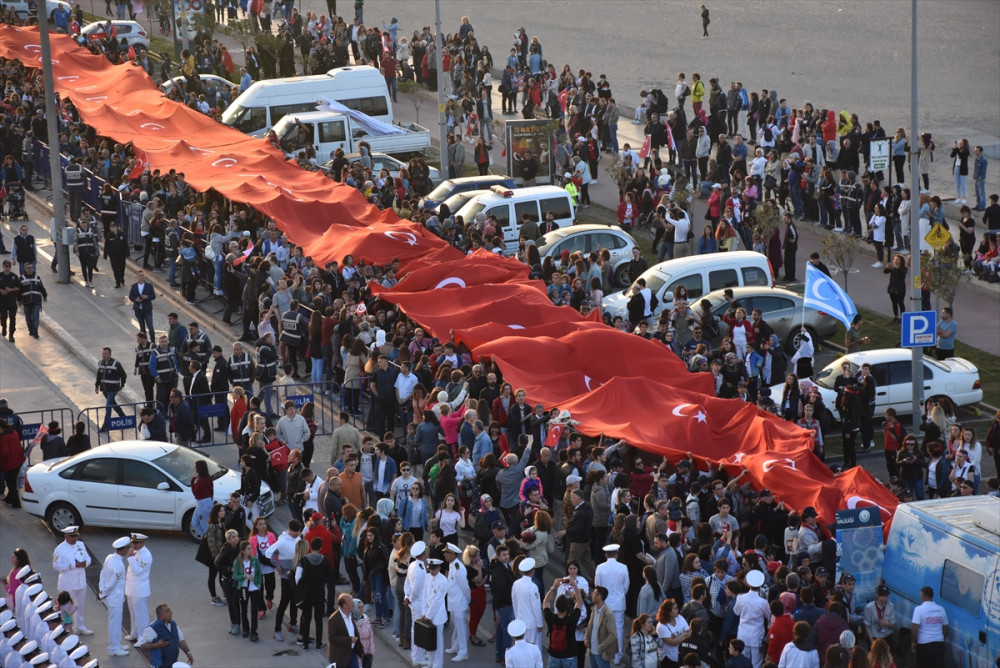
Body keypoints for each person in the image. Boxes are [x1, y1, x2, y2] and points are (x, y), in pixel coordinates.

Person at [52, 526, 93, 635]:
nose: (74, 539)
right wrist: (72, 565)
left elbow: (88, 558)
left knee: (80, 605)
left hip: (80, 580)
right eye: (72, 536)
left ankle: (80, 626)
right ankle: (67, 628)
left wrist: (86, 563)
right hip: (68, 582)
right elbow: (56, 565)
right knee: (66, 608)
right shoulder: (60, 549)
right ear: (66, 536)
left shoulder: (80, 545)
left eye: (75, 536)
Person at [295, 536, 334, 650]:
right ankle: (319, 643)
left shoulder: (304, 561)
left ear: (310, 547)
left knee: (306, 618)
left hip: (307, 594)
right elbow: (330, 580)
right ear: (321, 547)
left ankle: (305, 643)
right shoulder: (325, 561)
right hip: (319, 594)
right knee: (318, 619)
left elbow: (297, 578)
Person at [595, 543, 630, 664]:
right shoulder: (623, 567)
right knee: (619, 628)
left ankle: (605, 652)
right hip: (619, 602)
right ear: (617, 554)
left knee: (604, 628)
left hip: (605, 602)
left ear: (606, 554)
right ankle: (618, 655)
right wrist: (621, 595)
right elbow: (626, 586)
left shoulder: (600, 568)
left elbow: (597, 586)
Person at [98, 535, 132, 657]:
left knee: (116, 622)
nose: (128, 551)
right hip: (115, 598)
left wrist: (101, 589)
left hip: (111, 597)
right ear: (123, 549)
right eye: (127, 548)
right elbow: (112, 583)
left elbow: (102, 573)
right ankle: (113, 648)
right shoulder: (119, 564)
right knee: (115, 623)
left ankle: (116, 644)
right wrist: (102, 593)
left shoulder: (109, 558)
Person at [138, 603, 194, 668]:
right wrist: (156, 645)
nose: (171, 612)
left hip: (173, 663)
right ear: (160, 615)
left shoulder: (173, 624)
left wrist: (188, 653)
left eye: (170, 610)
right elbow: (143, 645)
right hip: (159, 665)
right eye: (167, 611)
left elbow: (180, 640)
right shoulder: (152, 628)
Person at [734, 569, 772, 668]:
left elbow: (736, 612)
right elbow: (768, 617)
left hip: (743, 635)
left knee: (743, 663)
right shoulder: (763, 602)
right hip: (757, 636)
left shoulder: (740, 598)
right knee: (757, 664)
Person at [443, 542, 470, 661]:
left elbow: (465, 586)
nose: (445, 554)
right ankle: (455, 646)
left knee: (461, 628)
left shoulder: (458, 567)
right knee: (456, 627)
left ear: (453, 554)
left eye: (447, 553)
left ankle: (463, 652)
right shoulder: (452, 565)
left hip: (459, 602)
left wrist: (468, 599)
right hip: (453, 601)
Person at [125, 533, 153, 645]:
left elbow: (138, 571)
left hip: (140, 590)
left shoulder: (146, 555)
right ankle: (134, 633)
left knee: (141, 615)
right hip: (132, 588)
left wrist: (131, 558)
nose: (134, 544)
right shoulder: (136, 552)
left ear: (143, 543)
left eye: (136, 543)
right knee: (133, 612)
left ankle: (143, 637)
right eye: (133, 542)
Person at [911, 586, 948, 668]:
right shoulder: (941, 609)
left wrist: (913, 642)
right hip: (939, 644)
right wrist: (941, 638)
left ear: (923, 596)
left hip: (924, 645)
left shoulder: (919, 609)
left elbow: (915, 629)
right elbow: (945, 627)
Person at [512, 557, 544, 645]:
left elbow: (514, 603)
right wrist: (539, 623)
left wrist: (516, 618)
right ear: (533, 571)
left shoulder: (516, 583)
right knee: (534, 647)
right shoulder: (533, 586)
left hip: (520, 621)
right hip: (531, 624)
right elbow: (536, 607)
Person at [95, 347, 128, 433]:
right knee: (112, 403)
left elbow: (123, 375)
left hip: (113, 389)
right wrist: (96, 386)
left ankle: (105, 425)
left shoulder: (116, 364)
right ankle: (122, 415)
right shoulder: (101, 363)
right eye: (103, 353)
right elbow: (99, 375)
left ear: (110, 354)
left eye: (105, 354)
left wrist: (122, 384)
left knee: (108, 406)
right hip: (104, 389)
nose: (103, 355)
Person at [586, 586, 618, 668]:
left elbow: (613, 634)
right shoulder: (594, 610)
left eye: (594, 593)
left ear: (599, 596)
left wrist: (601, 646)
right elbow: (590, 626)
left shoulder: (608, 614)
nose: (592, 595)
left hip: (601, 654)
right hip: (592, 652)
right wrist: (586, 638)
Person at [17, 262, 46, 340]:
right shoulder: (21, 278)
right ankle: (30, 329)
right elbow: (19, 291)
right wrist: (19, 300)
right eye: (29, 268)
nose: (30, 269)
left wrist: (45, 295)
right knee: (28, 317)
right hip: (26, 301)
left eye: (31, 267)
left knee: (36, 317)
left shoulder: (37, 277)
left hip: (36, 301)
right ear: (25, 269)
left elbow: (41, 287)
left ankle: (35, 332)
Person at [128, 270, 157, 339]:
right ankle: (144, 342)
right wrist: (135, 299)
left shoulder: (149, 286)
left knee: (150, 327)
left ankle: (153, 341)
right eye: (140, 275)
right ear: (137, 277)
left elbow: (153, 296)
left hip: (147, 309)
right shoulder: (134, 286)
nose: (142, 277)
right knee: (142, 328)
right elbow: (131, 296)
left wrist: (147, 297)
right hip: (138, 309)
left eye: (143, 275)